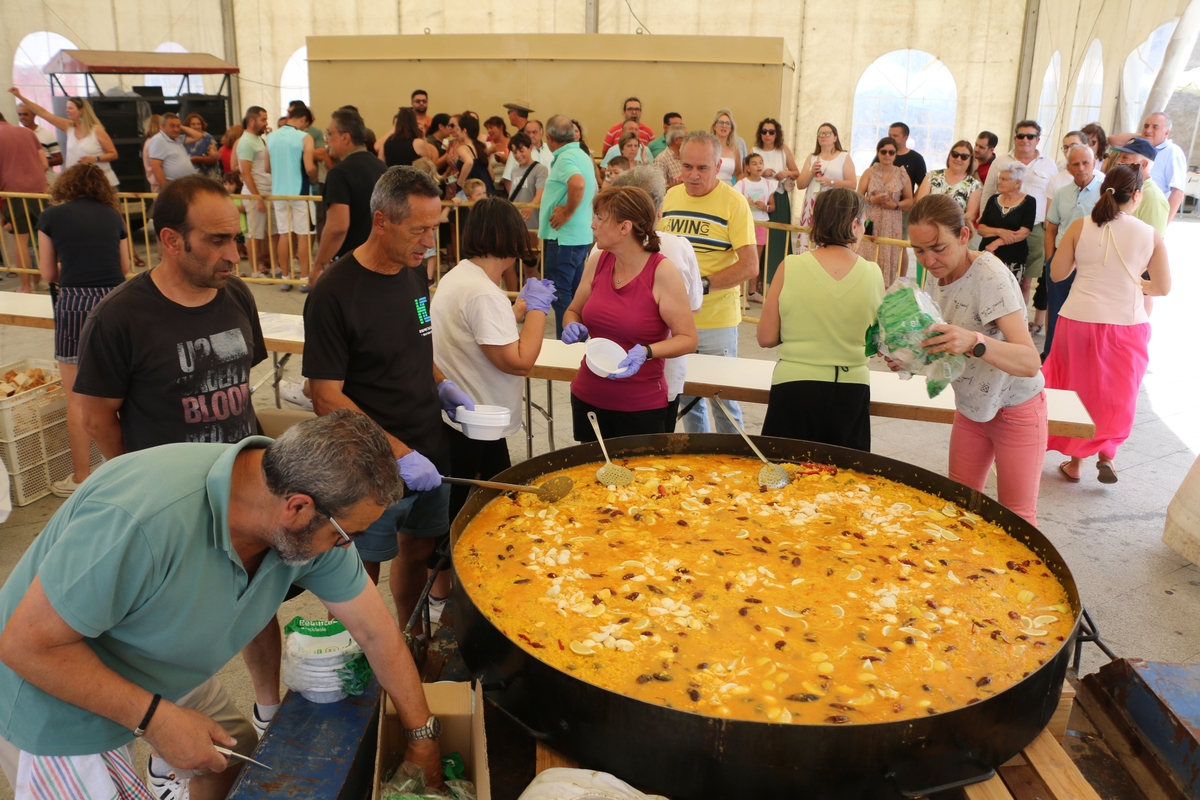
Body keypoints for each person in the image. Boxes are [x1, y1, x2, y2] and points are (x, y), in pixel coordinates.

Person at [0, 411, 446, 799]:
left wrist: (422, 737)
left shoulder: (300, 505)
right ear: (297, 509)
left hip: (158, 657)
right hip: (52, 689)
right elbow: (27, 646)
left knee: (232, 763)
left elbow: (375, 631)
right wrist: (157, 720)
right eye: (344, 535)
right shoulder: (142, 518)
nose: (346, 548)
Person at [303, 166, 475, 641]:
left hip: (429, 452)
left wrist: (445, 388)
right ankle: (347, 660)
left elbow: (420, 344)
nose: (428, 242)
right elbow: (324, 395)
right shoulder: (334, 294)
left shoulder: (413, 272)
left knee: (417, 553)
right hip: (367, 466)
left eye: (434, 228)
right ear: (381, 221)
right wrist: (397, 454)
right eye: (418, 229)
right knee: (358, 572)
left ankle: (410, 637)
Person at [902, 194, 1047, 525]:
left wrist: (975, 343)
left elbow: (1029, 362)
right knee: (960, 509)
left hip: (1017, 409)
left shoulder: (989, 277)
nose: (929, 259)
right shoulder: (940, 272)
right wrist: (909, 357)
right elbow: (947, 343)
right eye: (919, 250)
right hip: (972, 408)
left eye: (938, 247)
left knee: (1018, 518)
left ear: (964, 235)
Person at [1043, 164, 1170, 484]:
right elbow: (1163, 288)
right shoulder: (1150, 234)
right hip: (1126, 323)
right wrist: (1136, 285)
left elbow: (1057, 274)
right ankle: (1107, 456)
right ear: (1137, 195)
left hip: (1078, 319)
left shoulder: (1080, 226)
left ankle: (1075, 463)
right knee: (1116, 394)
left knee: (1076, 388)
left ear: (1103, 190)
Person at [432, 197, 553, 521]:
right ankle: (446, 567)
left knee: (502, 496)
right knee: (461, 516)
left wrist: (519, 308)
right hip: (474, 418)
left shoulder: (462, 275)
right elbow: (519, 360)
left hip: (472, 417)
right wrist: (540, 310)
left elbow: (480, 332)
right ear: (509, 237)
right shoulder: (482, 292)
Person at [562, 186, 698, 441]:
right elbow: (573, 311)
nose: (592, 225)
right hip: (587, 397)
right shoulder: (599, 260)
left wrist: (647, 351)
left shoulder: (662, 272)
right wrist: (571, 324)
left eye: (600, 218)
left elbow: (688, 338)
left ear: (624, 227)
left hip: (640, 406)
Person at [757, 188, 883, 450]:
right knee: (844, 482)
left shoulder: (790, 266)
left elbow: (766, 337)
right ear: (854, 224)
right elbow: (877, 340)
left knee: (784, 478)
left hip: (794, 384)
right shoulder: (873, 273)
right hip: (851, 386)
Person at [34, 164, 129, 497]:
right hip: (117, 301)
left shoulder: (51, 217)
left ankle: (80, 477)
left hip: (74, 302)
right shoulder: (112, 216)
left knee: (77, 398)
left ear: (66, 185)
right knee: (124, 389)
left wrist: (73, 263)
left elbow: (47, 272)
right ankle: (125, 468)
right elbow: (126, 267)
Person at [658, 131, 758, 434]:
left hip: (717, 323)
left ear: (718, 166)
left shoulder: (734, 203)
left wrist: (700, 285)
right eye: (687, 167)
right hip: (677, 320)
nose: (693, 175)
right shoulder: (669, 196)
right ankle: (698, 464)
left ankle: (736, 464)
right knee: (687, 400)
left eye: (702, 168)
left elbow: (750, 265)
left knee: (724, 402)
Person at [610, 166, 703, 428]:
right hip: (658, 375)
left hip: (613, 365)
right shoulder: (677, 246)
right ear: (658, 209)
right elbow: (693, 307)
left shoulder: (602, 243)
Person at [980, 120, 1059, 309]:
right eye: (1020, 135)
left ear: (1038, 139)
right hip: (1000, 225)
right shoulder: (1001, 161)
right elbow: (989, 191)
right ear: (1014, 137)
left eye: (1030, 136)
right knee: (991, 280)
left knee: (1024, 282)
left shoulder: (1048, 164)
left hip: (1034, 230)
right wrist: (986, 225)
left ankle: (1019, 325)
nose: (1025, 140)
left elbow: (1054, 197)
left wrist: (1051, 229)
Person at [312, 107, 388, 284]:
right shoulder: (380, 166)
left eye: (329, 134)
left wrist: (319, 264)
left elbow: (337, 226)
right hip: (380, 258)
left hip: (353, 264)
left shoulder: (339, 173)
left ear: (345, 137)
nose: (326, 140)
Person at [539, 114, 599, 337]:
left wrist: (566, 213)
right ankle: (579, 338)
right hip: (577, 236)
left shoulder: (565, 158)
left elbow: (578, 183)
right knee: (574, 293)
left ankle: (569, 340)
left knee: (560, 292)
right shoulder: (580, 154)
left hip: (564, 237)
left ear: (549, 138)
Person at [1042, 143, 1104, 356]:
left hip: (1091, 264)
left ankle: (1080, 358)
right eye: (1075, 164)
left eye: (1086, 163)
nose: (1081, 168)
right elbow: (1051, 229)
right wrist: (1050, 261)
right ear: (1068, 168)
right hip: (1062, 259)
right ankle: (1051, 356)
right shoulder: (1061, 193)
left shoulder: (1105, 193)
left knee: (1086, 313)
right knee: (1056, 311)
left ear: (1094, 163)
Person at [7, 89, 119, 188]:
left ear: (81, 110)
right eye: (66, 108)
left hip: (100, 182)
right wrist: (20, 97)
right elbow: (43, 113)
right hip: (78, 182)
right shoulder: (68, 126)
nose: (67, 110)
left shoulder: (96, 130)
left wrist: (95, 158)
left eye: (70, 108)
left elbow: (113, 153)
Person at [266, 105, 318, 291]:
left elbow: (267, 167)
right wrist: (314, 179)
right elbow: (310, 167)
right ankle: (304, 278)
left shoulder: (270, 138)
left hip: (278, 193)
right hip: (300, 193)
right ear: (303, 119)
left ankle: (286, 278)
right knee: (303, 236)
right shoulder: (304, 137)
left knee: (284, 234)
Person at [0, 111, 49, 293]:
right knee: (40, 239)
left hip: (13, 193)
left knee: (21, 241)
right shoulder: (27, 132)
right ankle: (41, 281)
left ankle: (25, 286)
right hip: (40, 190)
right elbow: (44, 164)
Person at [856, 137, 913, 287]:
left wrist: (895, 205)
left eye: (891, 152)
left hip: (892, 222)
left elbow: (909, 201)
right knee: (867, 251)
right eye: (884, 151)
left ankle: (885, 289)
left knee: (889, 255)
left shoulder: (902, 174)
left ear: (896, 154)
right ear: (878, 152)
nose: (887, 155)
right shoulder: (869, 172)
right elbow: (857, 196)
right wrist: (872, 200)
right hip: (871, 219)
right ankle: (864, 286)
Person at [752, 117, 800, 285]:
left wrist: (785, 173)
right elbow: (747, 172)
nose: (767, 135)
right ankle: (757, 282)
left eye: (771, 131)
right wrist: (762, 172)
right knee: (760, 239)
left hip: (779, 196)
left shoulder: (783, 149)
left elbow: (796, 172)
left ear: (776, 133)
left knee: (779, 237)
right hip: (760, 197)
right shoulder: (755, 150)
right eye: (764, 131)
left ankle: (777, 280)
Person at [795, 122, 856, 254]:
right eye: (820, 134)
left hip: (832, 205)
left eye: (827, 133)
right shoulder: (812, 157)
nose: (823, 136)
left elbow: (852, 183)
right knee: (809, 241)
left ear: (835, 137)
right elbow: (800, 184)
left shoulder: (843, 157)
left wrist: (831, 182)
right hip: (812, 205)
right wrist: (811, 172)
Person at [976, 164, 1036, 279]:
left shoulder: (1029, 202)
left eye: (1004, 179)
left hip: (1013, 256)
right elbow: (981, 229)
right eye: (999, 178)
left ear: (1017, 183)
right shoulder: (993, 199)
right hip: (988, 254)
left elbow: (1023, 233)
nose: (999, 182)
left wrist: (996, 243)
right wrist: (1000, 232)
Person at [237, 106, 274, 276]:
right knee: (255, 234)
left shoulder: (259, 139)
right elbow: (245, 173)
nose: (266, 123)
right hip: (255, 194)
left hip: (266, 192)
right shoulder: (245, 142)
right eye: (263, 119)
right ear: (251, 121)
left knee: (271, 232)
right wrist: (257, 197)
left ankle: (274, 266)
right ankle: (254, 271)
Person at [734, 153, 776, 301]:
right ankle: (739, 292)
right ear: (747, 167)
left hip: (761, 224)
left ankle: (752, 291)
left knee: (756, 258)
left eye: (760, 163)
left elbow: (772, 206)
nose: (758, 166)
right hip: (746, 224)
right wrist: (746, 202)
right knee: (742, 257)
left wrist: (765, 207)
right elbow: (735, 202)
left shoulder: (767, 183)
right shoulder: (742, 184)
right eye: (754, 163)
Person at [915, 140, 982, 226]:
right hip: (927, 226)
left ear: (970, 160)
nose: (958, 159)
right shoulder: (932, 176)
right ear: (949, 155)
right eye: (955, 154)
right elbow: (920, 204)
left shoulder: (974, 185)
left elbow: (970, 215)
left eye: (964, 156)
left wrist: (947, 224)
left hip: (954, 231)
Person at [1111, 137, 1169, 235]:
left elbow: (1154, 243)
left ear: (1143, 164)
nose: (1118, 161)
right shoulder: (1122, 187)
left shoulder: (1153, 197)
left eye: (1125, 157)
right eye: (1119, 156)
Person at [504, 131, 549, 232]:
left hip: (533, 222)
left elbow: (540, 193)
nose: (518, 155)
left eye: (521, 150)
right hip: (515, 220)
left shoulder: (540, 169)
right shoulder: (514, 170)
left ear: (530, 148)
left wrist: (530, 207)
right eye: (514, 152)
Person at [147, 112, 204, 189]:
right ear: (163, 126)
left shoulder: (177, 139)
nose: (176, 129)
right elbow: (155, 167)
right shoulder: (158, 140)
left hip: (186, 183)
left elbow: (198, 135)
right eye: (172, 126)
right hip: (174, 185)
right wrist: (166, 188)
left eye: (178, 126)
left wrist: (181, 126)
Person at [448, 113, 495, 197]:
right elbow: (492, 176)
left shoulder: (463, 148)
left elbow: (469, 162)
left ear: (464, 131)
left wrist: (460, 182)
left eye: (458, 130)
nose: (457, 133)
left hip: (472, 193)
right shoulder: (481, 147)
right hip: (487, 190)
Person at [16, 102, 62, 185]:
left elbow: (59, 159)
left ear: (34, 114)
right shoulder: (16, 134)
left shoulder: (46, 134)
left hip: (47, 181)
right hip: (25, 182)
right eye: (20, 114)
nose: (22, 117)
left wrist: (38, 163)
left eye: (25, 114)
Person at [711, 108, 747, 184]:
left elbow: (739, 174)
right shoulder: (707, 147)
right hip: (709, 190)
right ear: (714, 126)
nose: (724, 126)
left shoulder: (734, 149)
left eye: (728, 123)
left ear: (731, 128)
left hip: (728, 190)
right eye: (721, 122)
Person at [183, 112, 221, 179]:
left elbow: (214, 158)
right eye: (193, 124)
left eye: (198, 124)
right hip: (190, 177)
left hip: (207, 177)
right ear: (187, 125)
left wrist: (198, 159)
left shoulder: (207, 138)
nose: (196, 126)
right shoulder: (183, 139)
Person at [654, 123, 687, 188]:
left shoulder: (687, 156)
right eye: (686, 137)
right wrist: (681, 184)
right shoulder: (661, 159)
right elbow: (658, 188)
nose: (689, 140)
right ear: (677, 140)